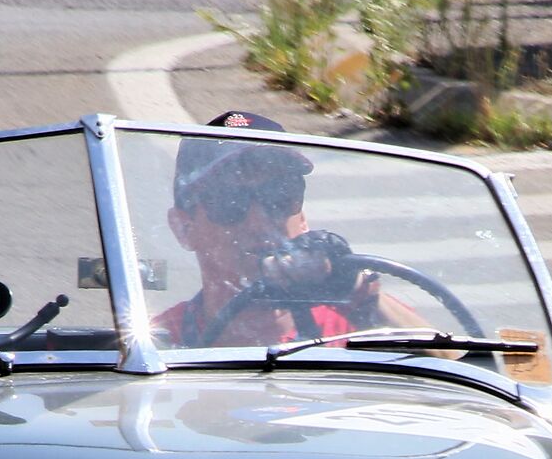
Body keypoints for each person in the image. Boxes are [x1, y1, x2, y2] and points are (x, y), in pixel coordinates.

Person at [154, 111, 426, 349]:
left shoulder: (355, 325)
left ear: (302, 218)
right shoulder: (159, 344)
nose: (259, 223)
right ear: (183, 227)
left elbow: (453, 368)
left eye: (279, 196)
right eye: (229, 200)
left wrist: (355, 290)